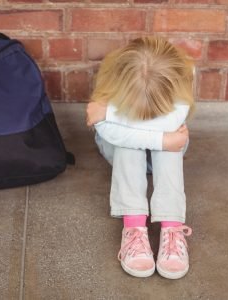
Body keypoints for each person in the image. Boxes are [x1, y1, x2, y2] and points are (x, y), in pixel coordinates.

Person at [86, 37, 194, 279]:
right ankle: (134, 225)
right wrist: (161, 138)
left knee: (170, 146)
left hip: (167, 149)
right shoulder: (113, 79)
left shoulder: (181, 75)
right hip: (121, 151)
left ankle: (171, 226)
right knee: (129, 145)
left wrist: (112, 113)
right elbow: (109, 132)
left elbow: (172, 123)